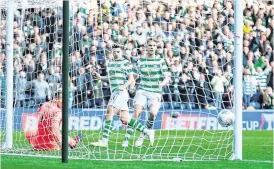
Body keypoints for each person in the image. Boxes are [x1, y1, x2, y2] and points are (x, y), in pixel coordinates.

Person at [89, 44, 154, 148]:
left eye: (118, 51)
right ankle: (147, 131)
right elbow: (110, 78)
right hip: (115, 92)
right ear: (112, 52)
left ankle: (104, 141)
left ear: (122, 52)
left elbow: (131, 79)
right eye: (114, 51)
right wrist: (100, 77)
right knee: (125, 119)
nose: (116, 53)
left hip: (121, 93)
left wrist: (124, 86)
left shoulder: (126, 63)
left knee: (109, 112)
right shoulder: (110, 63)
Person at [123, 38, 170, 147]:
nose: (152, 47)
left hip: (155, 92)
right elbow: (134, 77)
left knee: (153, 114)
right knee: (137, 112)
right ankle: (126, 139)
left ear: (156, 47)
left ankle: (143, 135)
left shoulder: (160, 61)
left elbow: (167, 77)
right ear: (146, 47)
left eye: (154, 45)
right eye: (150, 45)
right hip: (142, 91)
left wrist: (162, 84)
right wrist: (131, 86)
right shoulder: (141, 61)